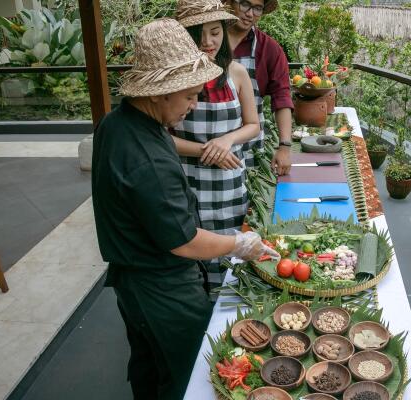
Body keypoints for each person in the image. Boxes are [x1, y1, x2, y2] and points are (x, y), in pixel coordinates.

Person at [91, 19, 279, 400]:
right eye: (190, 95)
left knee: (147, 360)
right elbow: (186, 243)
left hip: (132, 278)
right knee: (189, 371)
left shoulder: (118, 123)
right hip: (160, 284)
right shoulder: (149, 162)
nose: (194, 104)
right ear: (162, 93)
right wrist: (239, 244)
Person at [172, 0, 260, 290]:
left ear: (223, 31)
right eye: (198, 34)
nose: (207, 42)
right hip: (186, 180)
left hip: (229, 183)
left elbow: (253, 126)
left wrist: (226, 140)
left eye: (214, 32)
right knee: (191, 248)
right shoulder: (171, 80)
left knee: (232, 250)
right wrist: (206, 151)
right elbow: (161, 140)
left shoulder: (236, 72)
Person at [225, 0, 294, 175]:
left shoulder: (269, 49)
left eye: (257, 8)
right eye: (245, 4)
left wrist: (284, 146)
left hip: (250, 149)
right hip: (206, 145)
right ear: (229, 2)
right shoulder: (208, 40)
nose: (250, 14)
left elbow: (282, 98)